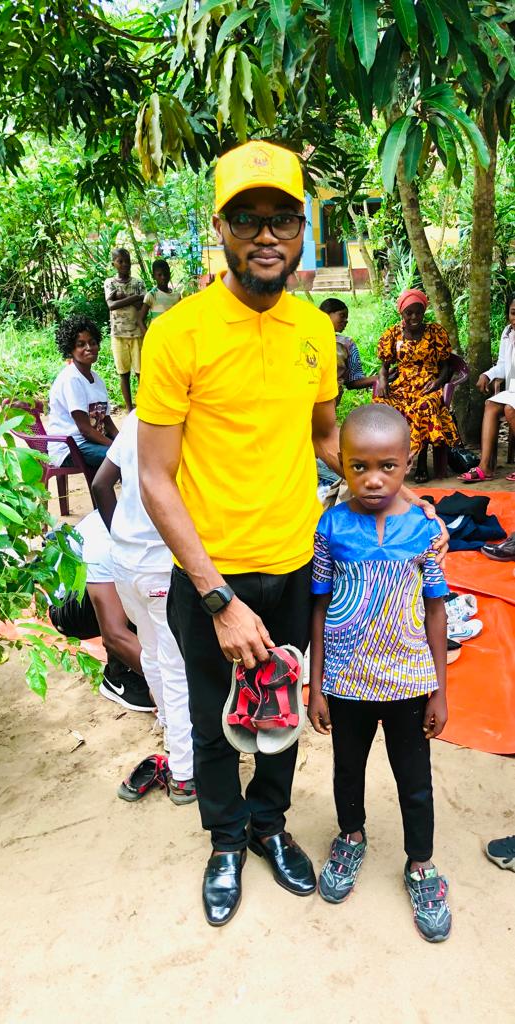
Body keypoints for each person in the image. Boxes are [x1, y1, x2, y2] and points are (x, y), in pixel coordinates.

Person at [135, 140, 446, 927]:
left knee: (277, 716)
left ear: (303, 229)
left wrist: (405, 498)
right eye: (246, 219)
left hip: (296, 565)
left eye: (283, 218)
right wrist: (217, 599)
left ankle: (268, 828)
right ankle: (224, 843)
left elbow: (325, 438)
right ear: (220, 229)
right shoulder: (177, 334)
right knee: (217, 723)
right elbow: (154, 479)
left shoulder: (313, 330)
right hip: (210, 576)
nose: (266, 235)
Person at [309, 404, 452, 943]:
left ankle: (421, 863)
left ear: (408, 463)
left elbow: (436, 609)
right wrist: (317, 685)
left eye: (387, 466)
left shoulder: (424, 529)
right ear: (342, 463)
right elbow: (319, 605)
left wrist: (439, 690)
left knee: (415, 779)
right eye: (359, 467)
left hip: (409, 682)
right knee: (348, 769)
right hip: (346, 682)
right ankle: (351, 836)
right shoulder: (330, 526)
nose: (373, 479)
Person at [92, 413, 195, 805]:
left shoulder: (139, 416)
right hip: (163, 563)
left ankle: (170, 730)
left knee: (153, 654)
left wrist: (122, 536)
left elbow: (101, 484)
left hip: (126, 561)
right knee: (176, 665)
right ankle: (184, 772)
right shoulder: (193, 421)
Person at [48, 510, 155, 713]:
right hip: (68, 606)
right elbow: (114, 635)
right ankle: (119, 674)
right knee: (135, 586)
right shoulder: (105, 543)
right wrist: (168, 683)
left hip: (109, 574)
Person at [374, 288, 460, 483]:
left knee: (423, 407)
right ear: (401, 313)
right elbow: (384, 367)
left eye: (419, 312)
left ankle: (420, 461)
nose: (414, 317)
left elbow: (447, 367)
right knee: (381, 406)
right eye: (409, 313)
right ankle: (389, 460)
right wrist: (383, 380)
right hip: (403, 386)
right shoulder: (392, 334)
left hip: (429, 385)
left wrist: (438, 382)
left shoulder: (436, 332)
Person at [47, 315, 118, 468]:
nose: (89, 348)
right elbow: (85, 430)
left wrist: (122, 442)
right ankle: (102, 484)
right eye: (81, 344)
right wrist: (116, 448)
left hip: (90, 443)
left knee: (133, 452)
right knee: (120, 458)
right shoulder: (71, 379)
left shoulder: (97, 380)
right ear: (70, 350)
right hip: (70, 447)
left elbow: (107, 422)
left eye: (92, 343)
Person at [458, 294, 515, 484]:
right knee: (490, 404)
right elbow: (503, 365)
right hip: (513, 390)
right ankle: (485, 467)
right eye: (513, 313)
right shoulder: (508, 333)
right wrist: (487, 375)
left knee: (510, 409)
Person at [104, 247, 146, 411]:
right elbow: (111, 305)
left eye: (127, 261)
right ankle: (129, 409)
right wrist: (134, 298)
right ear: (113, 264)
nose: (124, 264)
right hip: (118, 335)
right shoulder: (110, 283)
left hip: (137, 334)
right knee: (124, 374)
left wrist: (124, 298)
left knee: (141, 373)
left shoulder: (138, 283)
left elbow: (142, 305)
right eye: (120, 261)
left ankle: (143, 406)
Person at [319, 298, 377, 404]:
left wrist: (381, 377)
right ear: (325, 315)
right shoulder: (302, 339)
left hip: (329, 401)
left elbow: (353, 381)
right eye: (342, 316)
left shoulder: (347, 345)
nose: (346, 321)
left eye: (347, 317)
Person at [140, 259, 181, 333]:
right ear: (153, 276)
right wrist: (149, 337)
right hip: (158, 335)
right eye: (159, 275)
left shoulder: (176, 296)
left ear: (170, 274)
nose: (163, 277)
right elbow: (140, 320)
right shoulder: (151, 295)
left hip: (172, 335)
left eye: (166, 274)